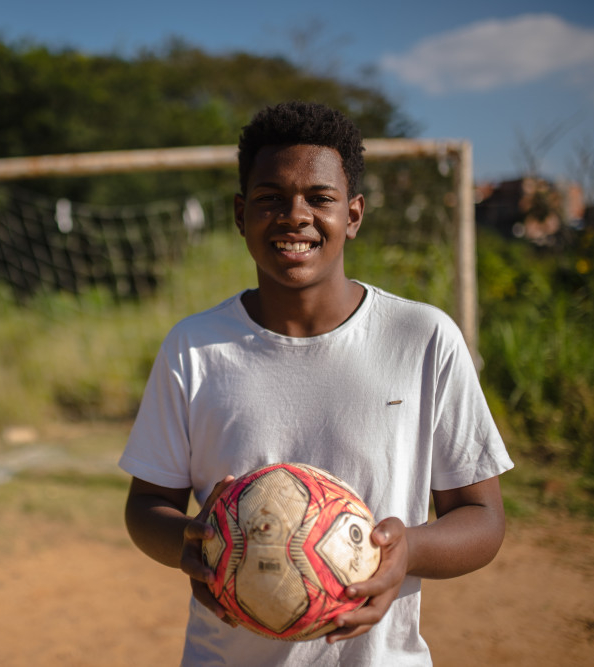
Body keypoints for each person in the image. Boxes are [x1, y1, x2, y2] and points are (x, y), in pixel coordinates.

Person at [119, 101, 513, 666]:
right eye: (270, 198)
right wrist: (192, 546)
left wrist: (408, 549)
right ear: (240, 213)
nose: (293, 216)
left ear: (352, 214)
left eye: (319, 198)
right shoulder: (194, 346)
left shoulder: (422, 337)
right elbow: (146, 506)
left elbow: (484, 518)